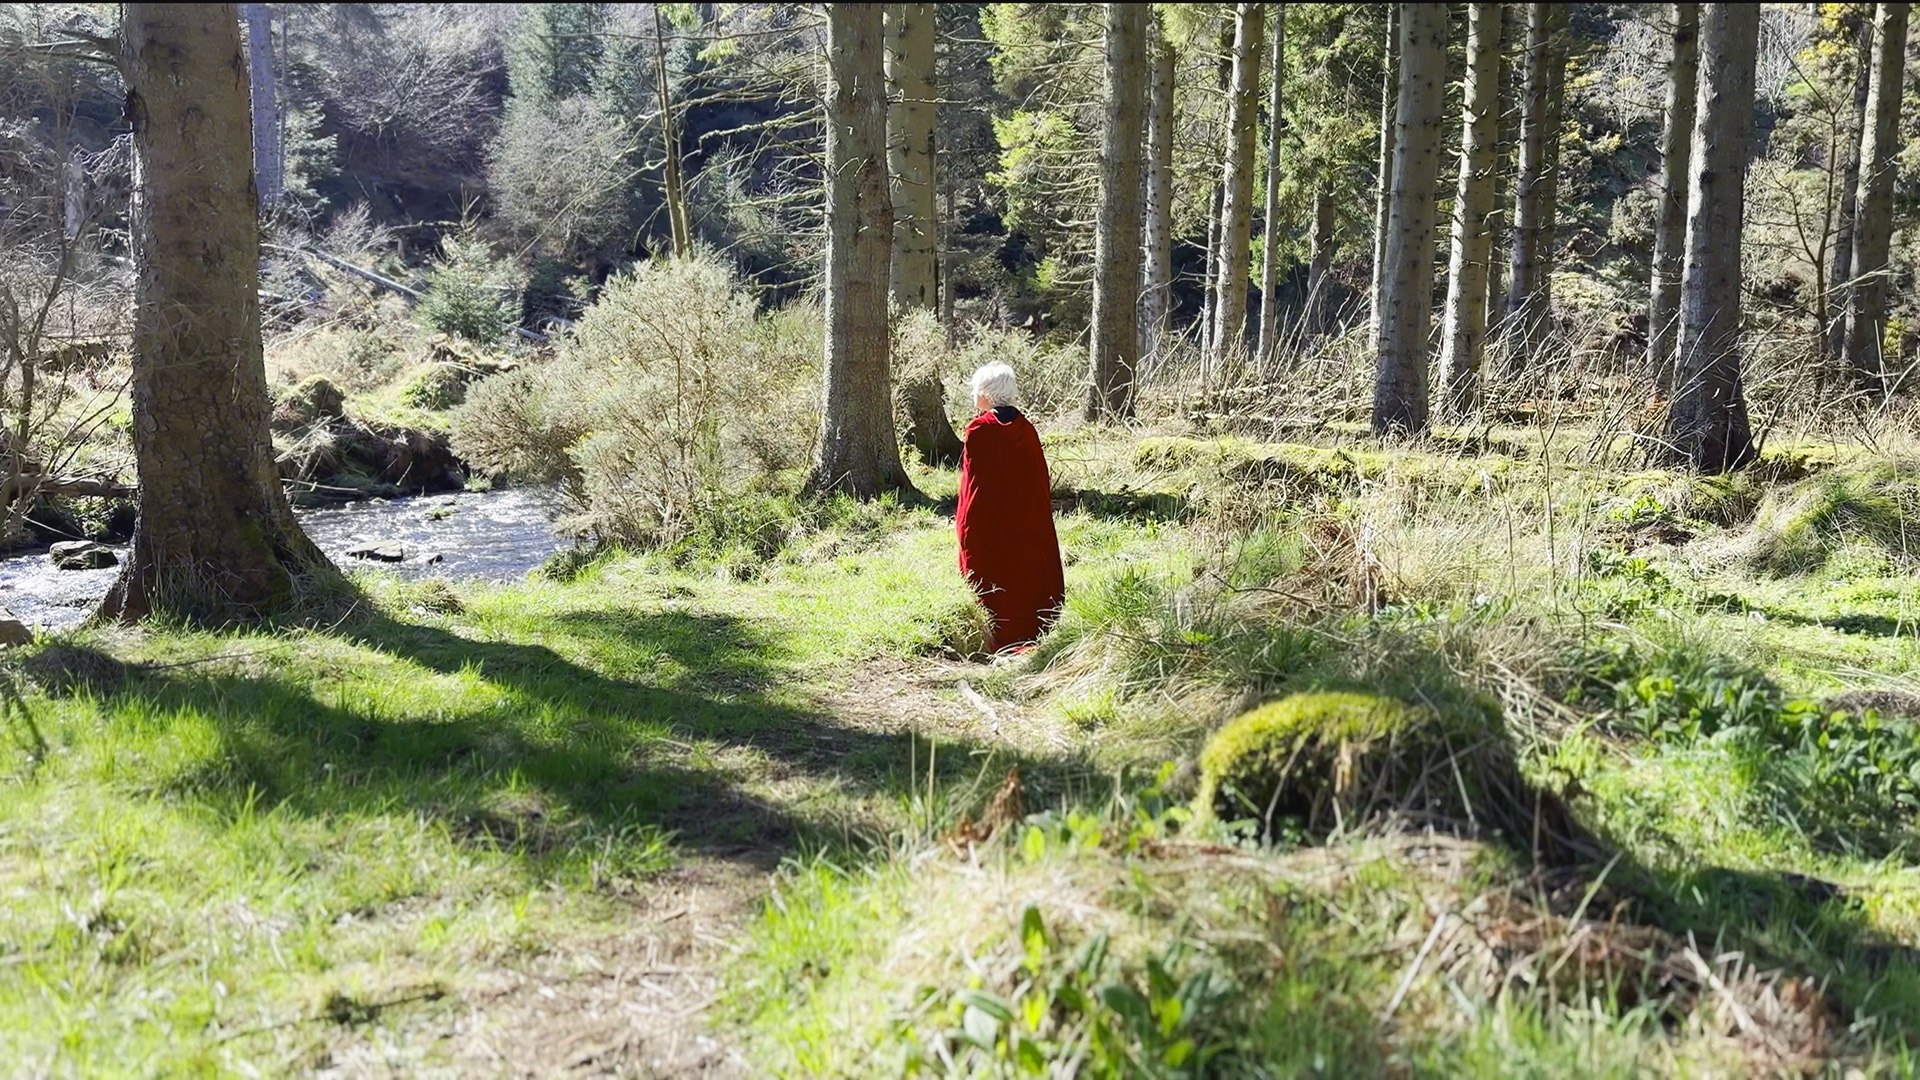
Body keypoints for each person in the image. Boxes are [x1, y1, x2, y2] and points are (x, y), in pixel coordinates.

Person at [955, 362, 1065, 652]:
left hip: (992, 525)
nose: (973, 394)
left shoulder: (979, 430)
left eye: (976, 389)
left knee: (993, 578)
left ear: (986, 393)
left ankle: (997, 640)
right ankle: (1033, 635)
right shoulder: (1026, 428)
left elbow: (974, 487)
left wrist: (966, 525)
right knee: (1025, 575)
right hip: (1028, 523)